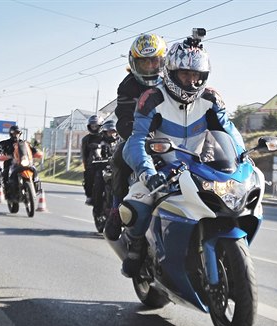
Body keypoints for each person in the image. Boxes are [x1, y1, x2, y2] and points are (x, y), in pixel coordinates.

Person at [118, 32, 246, 278]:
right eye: (185, 75)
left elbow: (229, 131)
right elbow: (136, 140)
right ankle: (135, 247)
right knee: (136, 204)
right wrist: (147, 172)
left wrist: (242, 158)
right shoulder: (152, 98)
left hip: (201, 166)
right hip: (161, 165)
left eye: (197, 76)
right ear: (172, 72)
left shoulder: (211, 98)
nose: (191, 82)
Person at [103, 33, 167, 241]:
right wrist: (138, 138)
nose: (149, 66)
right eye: (143, 62)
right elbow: (123, 119)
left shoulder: (170, 82)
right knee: (119, 158)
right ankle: (115, 210)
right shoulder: (128, 85)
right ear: (134, 62)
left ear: (162, 61)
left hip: (170, 137)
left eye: (154, 61)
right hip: (137, 135)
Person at [0, 125, 39, 198]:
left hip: (22, 163)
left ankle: (35, 186)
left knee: (33, 169)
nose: (16, 135)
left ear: (20, 134)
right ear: (11, 134)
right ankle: (8, 192)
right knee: (6, 173)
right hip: (10, 164)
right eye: (14, 133)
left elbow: (32, 150)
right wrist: (0, 153)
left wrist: (36, 152)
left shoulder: (24, 143)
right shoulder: (5, 143)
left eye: (17, 133)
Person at [81, 115, 104, 205]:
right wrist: (86, 165)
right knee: (89, 177)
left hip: (107, 161)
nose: (94, 128)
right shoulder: (86, 139)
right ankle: (89, 196)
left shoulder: (105, 136)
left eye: (96, 126)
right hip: (93, 163)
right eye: (92, 126)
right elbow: (84, 153)